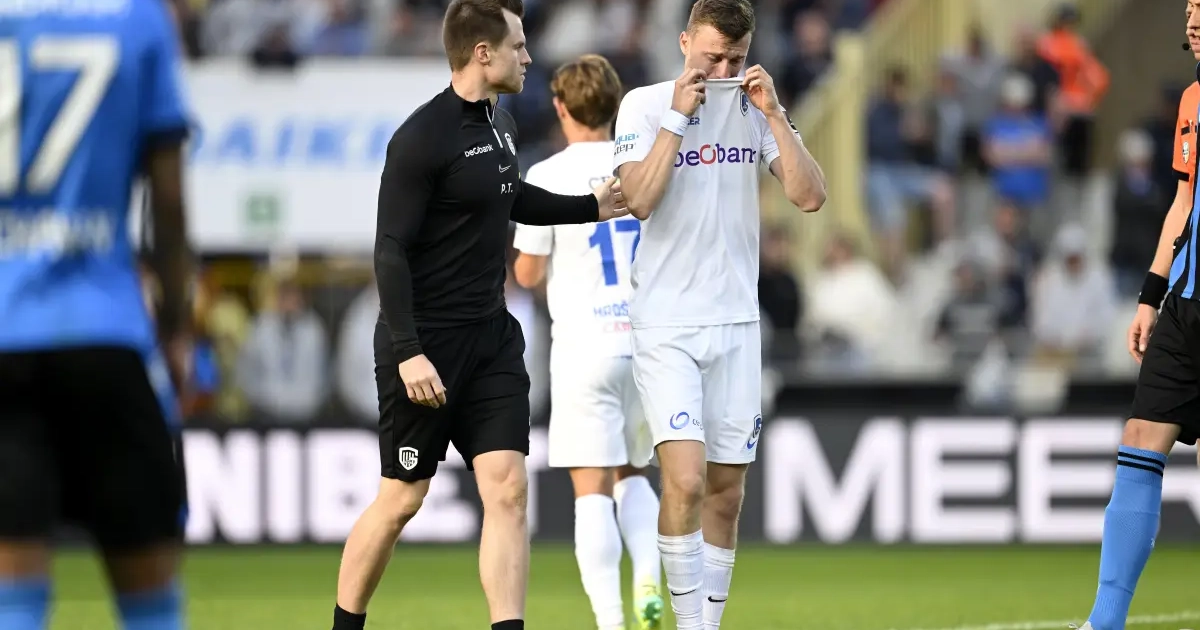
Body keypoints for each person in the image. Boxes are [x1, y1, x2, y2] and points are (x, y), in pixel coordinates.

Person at [329, 1, 627, 629]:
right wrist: (409, 350)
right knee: (401, 499)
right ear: (483, 54)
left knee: (509, 489)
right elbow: (389, 249)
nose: (528, 57)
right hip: (427, 345)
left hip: (492, 338)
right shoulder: (421, 138)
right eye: (518, 46)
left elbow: (511, 197)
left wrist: (589, 208)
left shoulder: (502, 123)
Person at [611, 0, 826, 627]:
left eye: (736, 58)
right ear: (684, 44)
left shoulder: (753, 108)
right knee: (684, 481)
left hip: (736, 323)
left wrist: (775, 115)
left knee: (726, 494)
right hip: (668, 323)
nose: (725, 71)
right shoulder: (644, 105)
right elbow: (639, 199)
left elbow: (809, 196)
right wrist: (679, 117)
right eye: (713, 57)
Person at [0, 0, 194, 628]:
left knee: (11, 592)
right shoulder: (139, 16)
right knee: (150, 600)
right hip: (104, 327)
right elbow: (168, 199)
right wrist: (177, 329)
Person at [512, 54, 664, 630]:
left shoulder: (547, 175)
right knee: (635, 473)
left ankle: (611, 621)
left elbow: (527, 272)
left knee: (591, 489)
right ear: (616, 104)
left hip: (584, 346)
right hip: (645, 344)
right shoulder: (643, 166)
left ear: (560, 108)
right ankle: (648, 577)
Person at [1076, 2, 1200, 628]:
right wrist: (1151, 296)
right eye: (1190, 8)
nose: (1194, 20)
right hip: (1185, 304)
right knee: (1140, 437)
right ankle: (1105, 622)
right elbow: (1183, 202)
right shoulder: (1193, 100)